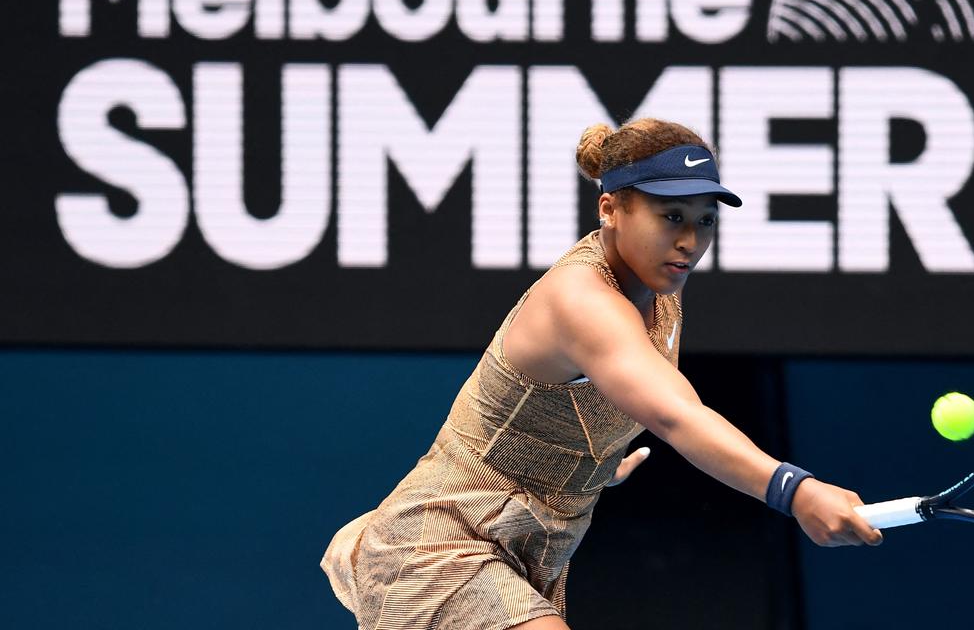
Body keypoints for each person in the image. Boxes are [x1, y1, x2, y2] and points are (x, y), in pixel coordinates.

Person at [320, 118, 883, 630]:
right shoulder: (581, 299)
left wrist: (588, 463)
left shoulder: (658, 292)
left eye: (704, 220)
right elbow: (676, 413)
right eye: (670, 217)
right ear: (610, 209)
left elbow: (584, 408)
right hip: (442, 544)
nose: (690, 240)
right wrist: (795, 490)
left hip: (526, 551)